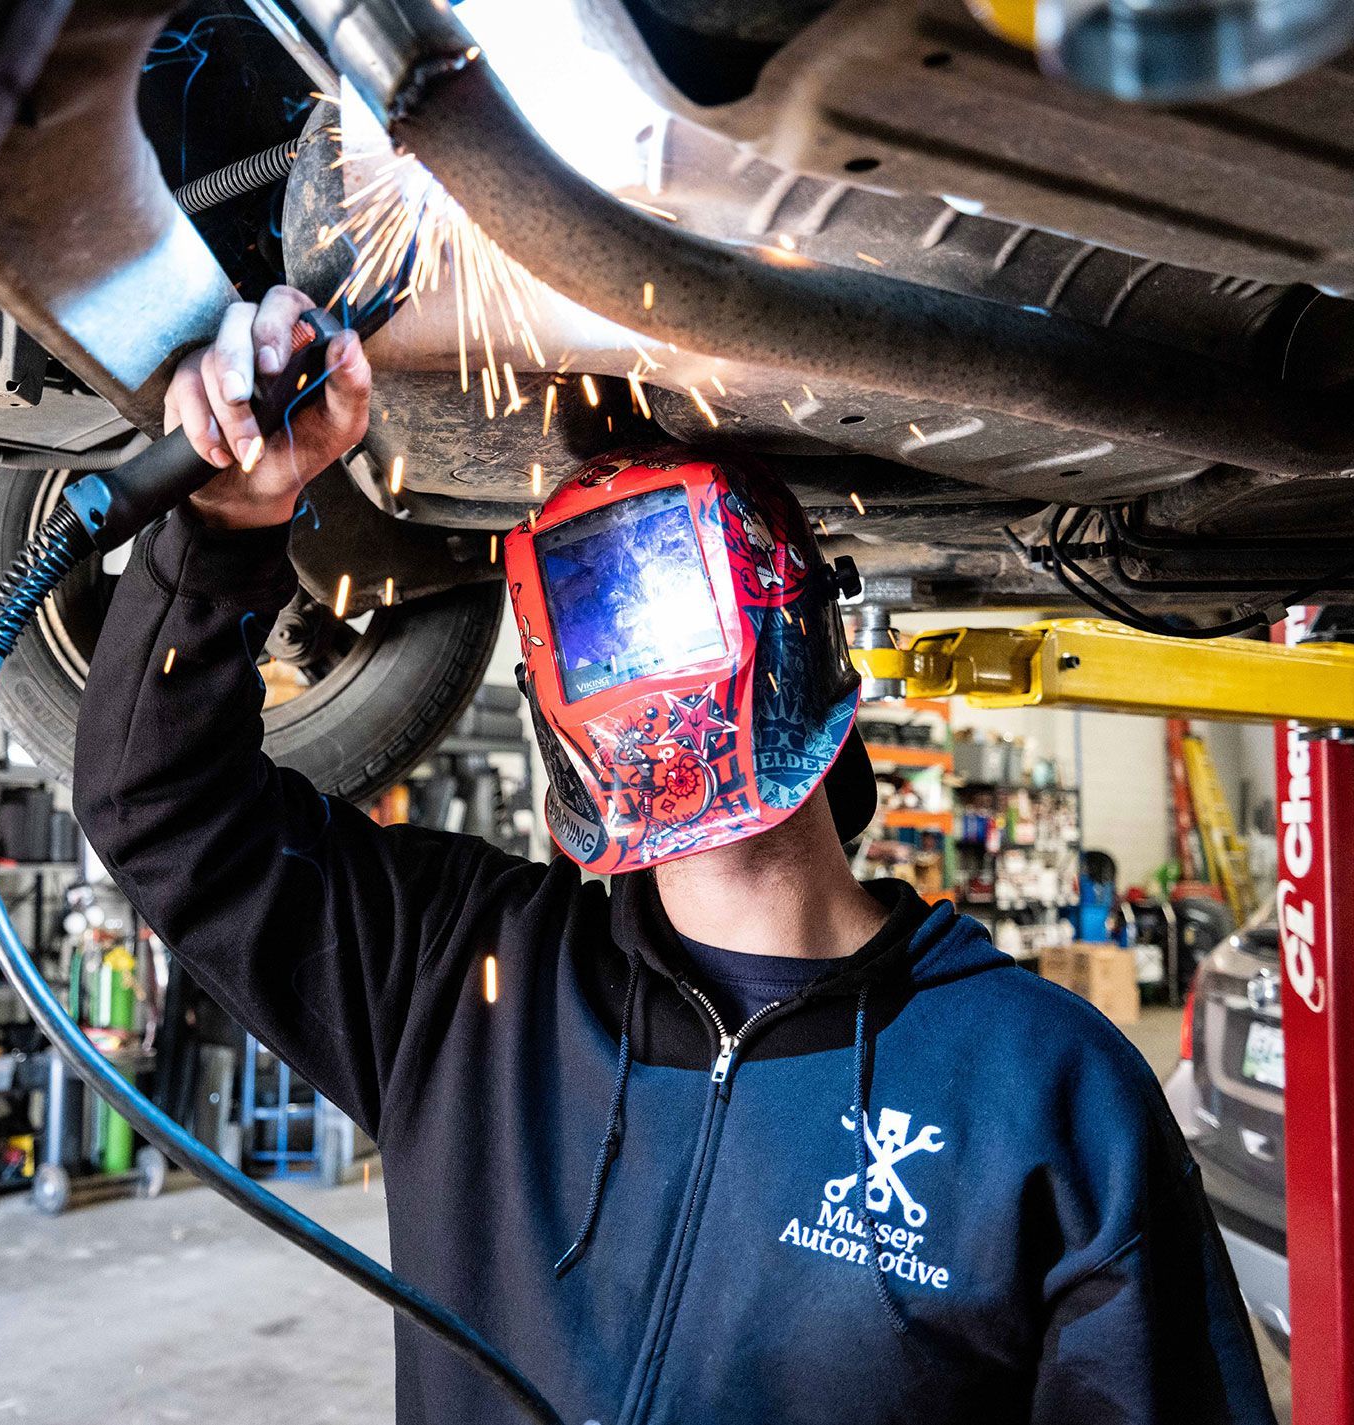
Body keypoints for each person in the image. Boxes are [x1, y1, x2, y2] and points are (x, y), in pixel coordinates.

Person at [75, 285, 1276, 1425]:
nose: (653, 680)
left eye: (672, 588)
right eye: (604, 622)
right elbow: (159, 806)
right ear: (546, 690)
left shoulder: (1045, 1086)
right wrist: (226, 521)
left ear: (800, 620)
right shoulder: (460, 983)